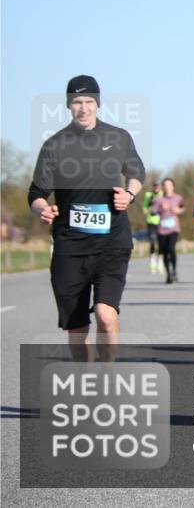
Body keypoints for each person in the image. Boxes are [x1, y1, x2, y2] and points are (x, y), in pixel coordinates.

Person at [27, 75, 145, 362]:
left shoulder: (118, 137)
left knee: (106, 315)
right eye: (77, 102)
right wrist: (42, 208)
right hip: (70, 246)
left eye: (89, 101)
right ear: (69, 105)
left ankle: (108, 374)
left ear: (98, 104)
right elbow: (36, 192)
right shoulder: (55, 145)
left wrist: (129, 195)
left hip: (112, 243)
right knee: (77, 330)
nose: (83, 108)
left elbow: (137, 174)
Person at [150, 178, 184, 283]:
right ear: (163, 187)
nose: (167, 187)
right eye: (165, 185)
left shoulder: (178, 198)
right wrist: (160, 209)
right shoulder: (159, 200)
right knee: (164, 252)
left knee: (171, 248)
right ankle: (168, 274)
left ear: (173, 186)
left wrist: (178, 210)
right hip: (162, 229)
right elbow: (152, 212)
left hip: (174, 229)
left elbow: (183, 209)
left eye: (169, 185)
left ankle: (174, 270)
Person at [142, 180, 163, 274]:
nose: (156, 188)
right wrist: (146, 211)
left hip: (162, 222)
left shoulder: (163, 194)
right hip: (151, 221)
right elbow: (144, 207)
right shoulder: (148, 195)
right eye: (155, 186)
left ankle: (160, 261)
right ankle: (152, 260)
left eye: (158, 186)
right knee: (153, 241)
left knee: (161, 242)